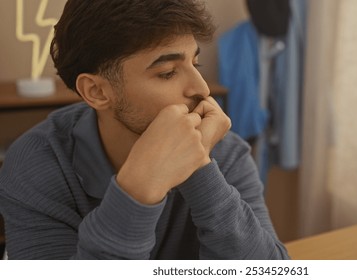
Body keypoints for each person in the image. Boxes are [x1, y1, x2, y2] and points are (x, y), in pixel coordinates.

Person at [0, 0, 289, 260]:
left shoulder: (224, 149)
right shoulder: (34, 165)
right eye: (167, 73)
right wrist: (137, 190)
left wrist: (199, 167)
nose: (201, 88)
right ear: (97, 91)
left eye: (195, 62)